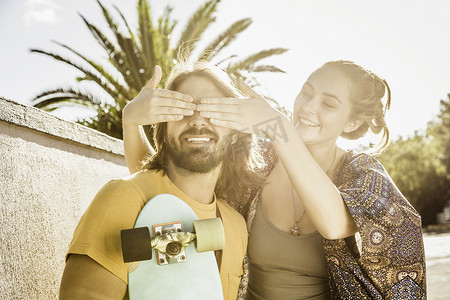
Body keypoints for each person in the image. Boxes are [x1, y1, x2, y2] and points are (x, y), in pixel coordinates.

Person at [123, 60, 427, 299]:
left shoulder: (365, 177)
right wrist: (131, 120)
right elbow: (169, 186)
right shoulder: (257, 162)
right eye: (307, 91)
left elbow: (335, 225)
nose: (309, 106)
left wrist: (277, 126)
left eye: (329, 103)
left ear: (353, 122)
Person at [59, 62, 264, 300]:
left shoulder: (235, 226)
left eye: (213, 110)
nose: (198, 120)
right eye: (182, 109)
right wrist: (130, 120)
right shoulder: (122, 197)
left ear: (235, 131)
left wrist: (275, 123)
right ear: (163, 129)